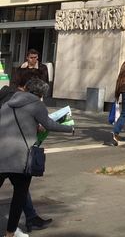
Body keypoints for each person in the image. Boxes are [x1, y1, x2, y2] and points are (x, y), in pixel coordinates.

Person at [0, 77, 73, 237]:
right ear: (41, 94)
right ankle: (10, 233)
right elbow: (49, 124)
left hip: (1, 154)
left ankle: (29, 220)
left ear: (26, 88)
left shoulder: (9, 102)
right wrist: (70, 129)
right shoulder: (36, 104)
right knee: (19, 196)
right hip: (21, 158)